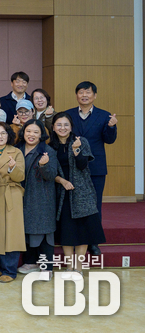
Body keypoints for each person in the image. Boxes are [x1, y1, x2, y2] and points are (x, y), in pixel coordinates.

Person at [64, 81, 117, 256]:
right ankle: (74, 238)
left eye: (88, 92)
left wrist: (111, 127)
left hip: (96, 167)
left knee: (94, 205)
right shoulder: (68, 115)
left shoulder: (104, 115)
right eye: (81, 92)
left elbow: (109, 140)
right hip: (73, 166)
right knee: (73, 204)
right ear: (76, 95)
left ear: (95, 95)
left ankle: (93, 242)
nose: (84, 95)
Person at [50, 113, 106, 277]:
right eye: (59, 125)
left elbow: (83, 165)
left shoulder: (81, 142)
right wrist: (62, 181)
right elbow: (50, 172)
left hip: (82, 192)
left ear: (71, 126)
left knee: (83, 231)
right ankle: (69, 266)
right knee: (67, 231)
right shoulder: (51, 146)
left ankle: (79, 267)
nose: (62, 128)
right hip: (62, 193)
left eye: (66, 124)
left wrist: (76, 150)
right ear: (53, 127)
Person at [15, 120, 58, 279]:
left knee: (44, 232)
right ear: (23, 132)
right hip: (21, 196)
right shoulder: (17, 149)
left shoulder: (47, 151)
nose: (31, 135)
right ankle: (31, 262)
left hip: (41, 198)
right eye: (28, 131)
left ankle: (47, 267)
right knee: (26, 230)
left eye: (35, 132)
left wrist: (44, 165)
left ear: (41, 135)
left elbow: (51, 175)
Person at [0, 123, 26, 283]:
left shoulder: (16, 152)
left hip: (11, 194)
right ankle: (0, 266)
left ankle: (10, 270)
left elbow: (20, 177)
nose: (0, 136)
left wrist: (12, 169)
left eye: (3, 133)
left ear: (9, 135)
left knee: (11, 233)